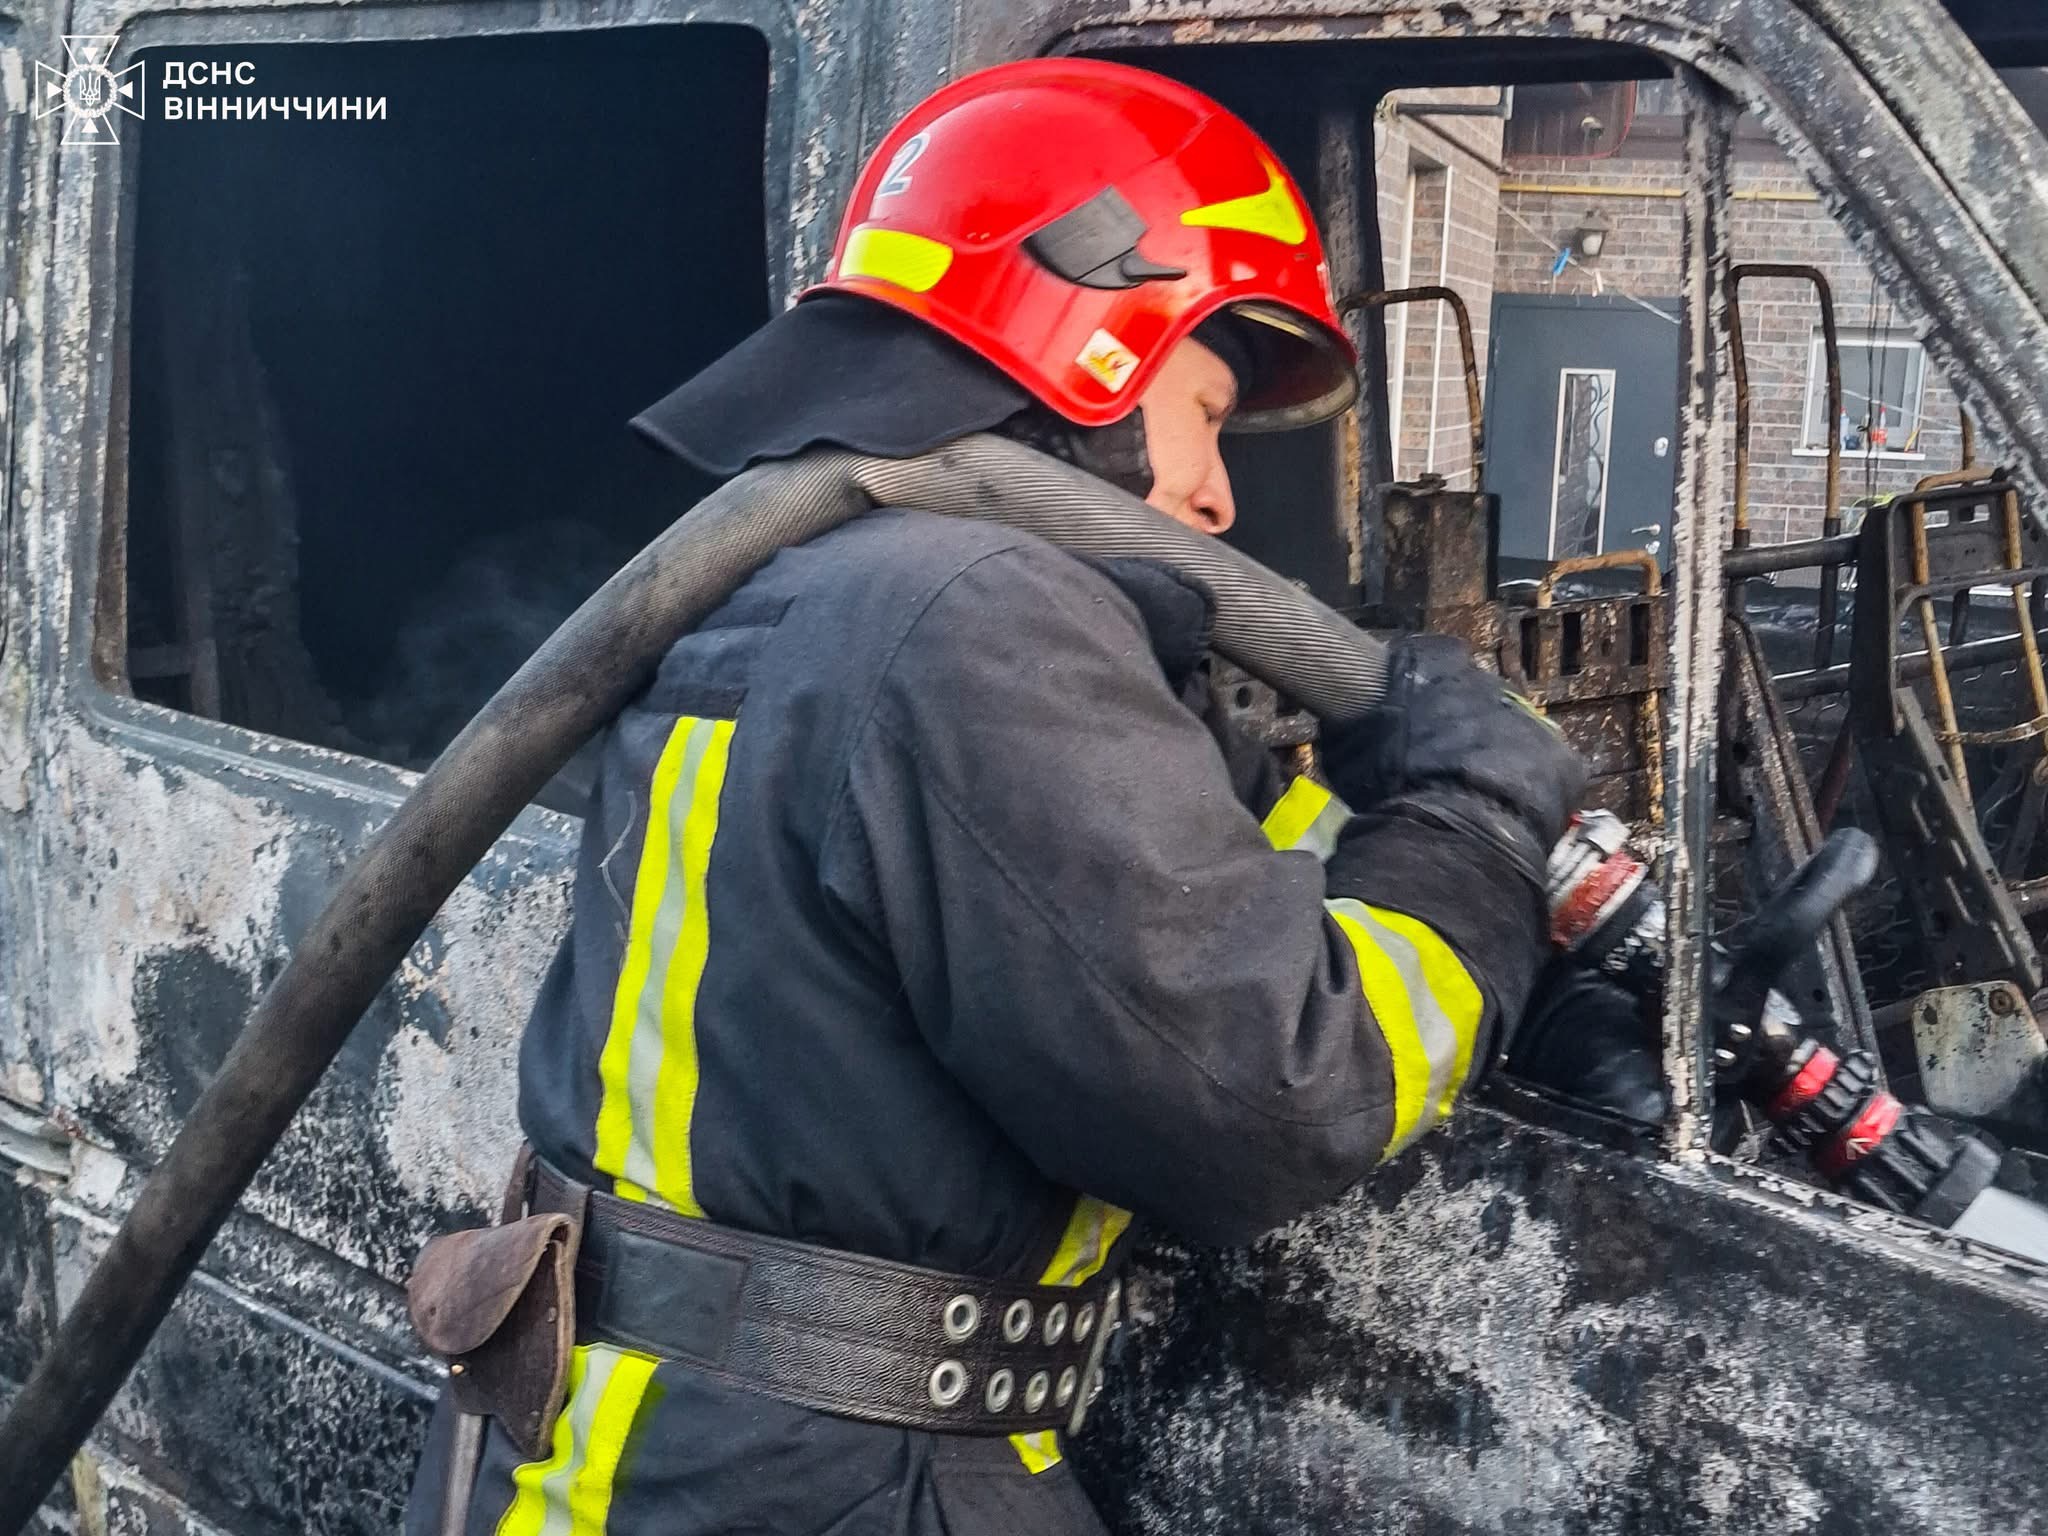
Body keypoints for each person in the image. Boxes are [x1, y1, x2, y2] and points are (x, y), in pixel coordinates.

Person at [405, 57, 1584, 1536]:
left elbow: (1130, 923)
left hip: (666, 1451)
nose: (1216, 496)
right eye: (1203, 411)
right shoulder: (975, 612)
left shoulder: (820, 586)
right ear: (1087, 351)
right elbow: (1277, 1091)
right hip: (820, 1477)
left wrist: (1351, 823)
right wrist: (1475, 826)